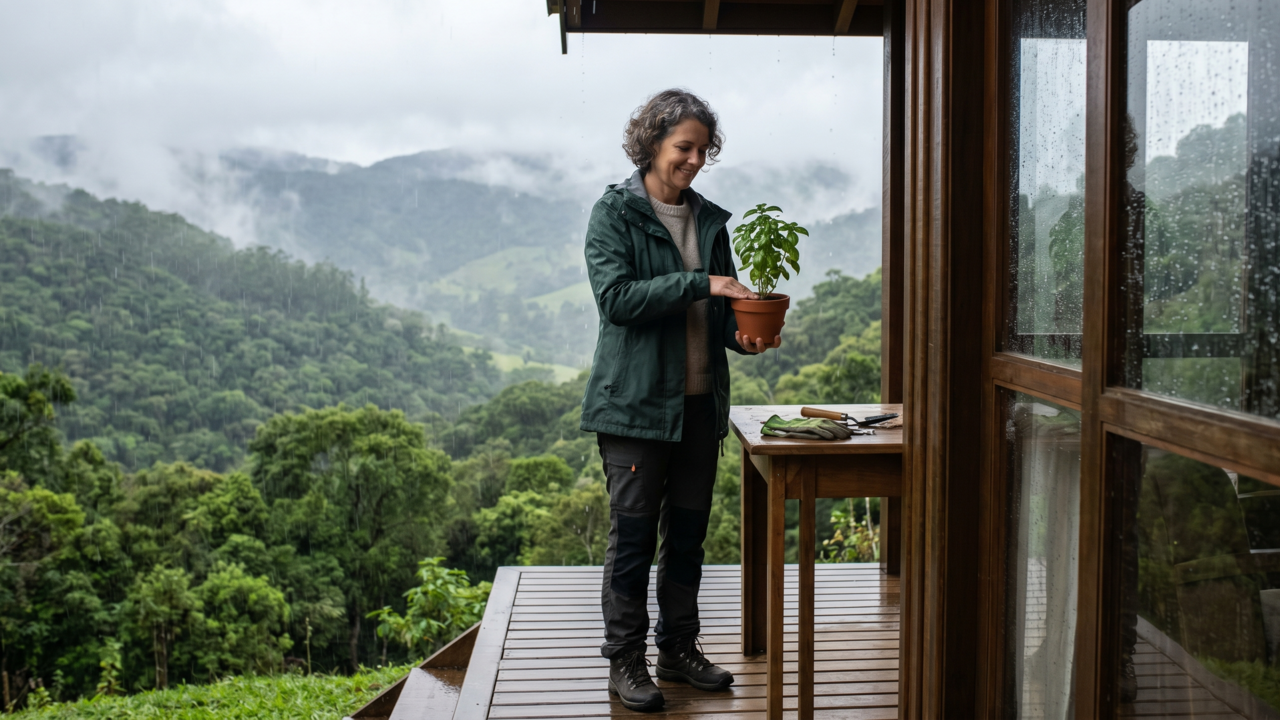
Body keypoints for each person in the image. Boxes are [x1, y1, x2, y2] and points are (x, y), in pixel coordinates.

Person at [580, 88, 782, 712]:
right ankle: (625, 661)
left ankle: (678, 649)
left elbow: (719, 315)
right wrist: (701, 282)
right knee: (635, 539)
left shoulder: (710, 220)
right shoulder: (614, 213)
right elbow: (617, 300)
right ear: (652, 144)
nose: (694, 160)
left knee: (689, 535)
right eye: (683, 147)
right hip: (635, 409)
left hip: (699, 407)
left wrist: (743, 337)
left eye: (702, 150)